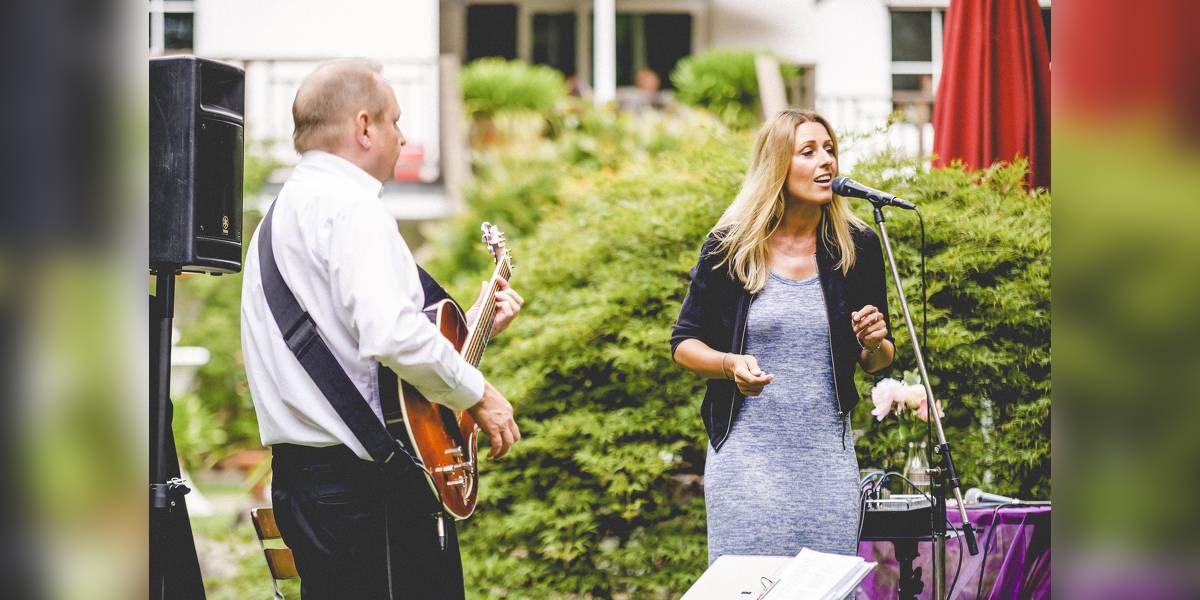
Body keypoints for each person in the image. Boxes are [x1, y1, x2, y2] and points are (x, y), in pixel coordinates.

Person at [240, 59, 524, 598]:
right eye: (395, 120)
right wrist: (479, 394)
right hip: (365, 492)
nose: (403, 136)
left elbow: (352, 349)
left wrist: (469, 334)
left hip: (306, 484)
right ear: (364, 126)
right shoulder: (353, 210)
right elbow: (390, 335)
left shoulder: (281, 217)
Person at [670, 109, 895, 563]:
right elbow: (684, 343)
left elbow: (879, 360)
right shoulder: (730, 247)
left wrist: (873, 343)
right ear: (777, 165)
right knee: (751, 588)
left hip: (827, 463)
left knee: (825, 588)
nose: (826, 161)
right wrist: (729, 364)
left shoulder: (857, 246)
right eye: (808, 152)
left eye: (829, 149)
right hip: (746, 463)